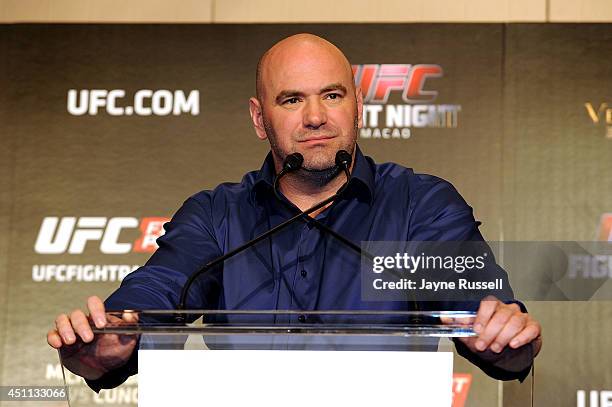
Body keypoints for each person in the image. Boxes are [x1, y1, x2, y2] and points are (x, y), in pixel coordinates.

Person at [48, 33, 542, 389]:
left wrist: (503, 333)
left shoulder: (419, 205)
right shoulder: (217, 214)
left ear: (358, 106)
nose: (315, 117)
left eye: (332, 95)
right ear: (260, 118)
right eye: (291, 100)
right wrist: (118, 333)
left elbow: (474, 303)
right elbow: (162, 285)